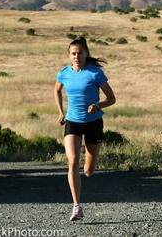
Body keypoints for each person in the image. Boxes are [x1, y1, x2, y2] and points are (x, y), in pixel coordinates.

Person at [54, 37, 116, 221]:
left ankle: (90, 167)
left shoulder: (95, 73)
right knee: (72, 162)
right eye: (73, 53)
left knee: (89, 169)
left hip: (93, 122)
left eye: (80, 53)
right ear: (69, 55)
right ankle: (76, 207)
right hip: (72, 122)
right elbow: (56, 90)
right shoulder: (64, 73)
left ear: (86, 53)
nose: (76, 56)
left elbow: (112, 99)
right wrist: (60, 112)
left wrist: (98, 105)